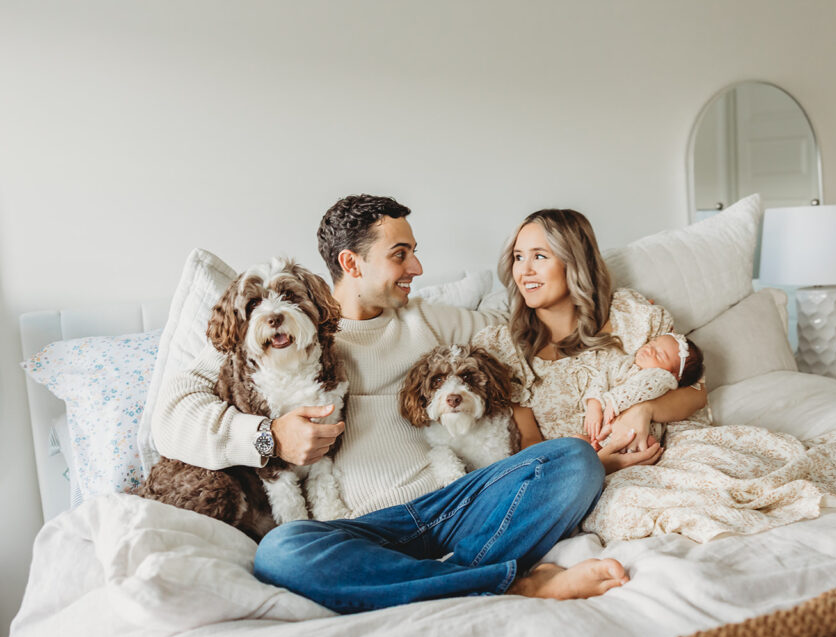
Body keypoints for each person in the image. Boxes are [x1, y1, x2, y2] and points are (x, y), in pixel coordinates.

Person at [153, 194, 640, 614]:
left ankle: (451, 579)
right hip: (358, 530)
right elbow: (171, 414)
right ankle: (505, 581)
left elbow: (527, 327)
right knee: (281, 553)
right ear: (351, 263)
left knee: (574, 460)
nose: (417, 269)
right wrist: (268, 436)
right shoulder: (277, 331)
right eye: (400, 254)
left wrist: (656, 368)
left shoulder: (426, 319)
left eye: (415, 253)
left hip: (456, 502)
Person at [472, 208, 708, 469]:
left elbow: (696, 393)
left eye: (539, 256)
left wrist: (643, 410)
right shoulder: (505, 350)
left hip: (664, 460)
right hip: (576, 480)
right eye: (518, 257)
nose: (524, 270)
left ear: (574, 262)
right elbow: (529, 445)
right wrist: (598, 466)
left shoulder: (630, 316)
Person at [582, 334, 706, 444]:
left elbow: (639, 388)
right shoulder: (624, 362)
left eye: (659, 355)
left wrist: (614, 401)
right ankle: (596, 447)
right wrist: (594, 405)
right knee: (579, 439)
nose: (650, 349)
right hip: (604, 421)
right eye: (652, 342)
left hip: (636, 428)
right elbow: (602, 378)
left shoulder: (661, 377)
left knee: (642, 440)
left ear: (673, 374)